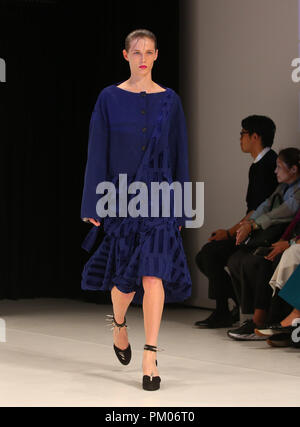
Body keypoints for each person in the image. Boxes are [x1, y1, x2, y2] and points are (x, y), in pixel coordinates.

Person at [80, 29, 192, 391]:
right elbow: (97, 150)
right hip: (121, 198)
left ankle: (150, 355)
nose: (142, 58)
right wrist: (92, 202)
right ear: (125, 55)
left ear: (157, 55)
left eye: (149, 52)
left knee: (153, 275)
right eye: (136, 51)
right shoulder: (109, 98)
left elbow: (180, 156)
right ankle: (119, 323)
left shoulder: (170, 101)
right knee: (124, 285)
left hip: (160, 198)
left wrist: (182, 208)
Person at [194, 115, 278, 328]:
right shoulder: (261, 165)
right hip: (254, 228)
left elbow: (259, 210)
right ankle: (231, 305)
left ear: (255, 136)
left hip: (262, 233)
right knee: (207, 255)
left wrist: (230, 232)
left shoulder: (268, 165)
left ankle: (224, 310)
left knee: (209, 254)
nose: (240, 139)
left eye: (242, 134)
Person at [227, 148, 300, 340]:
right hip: (285, 238)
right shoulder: (282, 188)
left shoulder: (297, 191)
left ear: (293, 169)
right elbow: (265, 206)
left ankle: (268, 320)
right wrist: (249, 224)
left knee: (267, 260)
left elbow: (284, 212)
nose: (275, 171)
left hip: (286, 238)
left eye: (279, 167)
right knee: (240, 259)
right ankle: (251, 317)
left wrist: (255, 225)